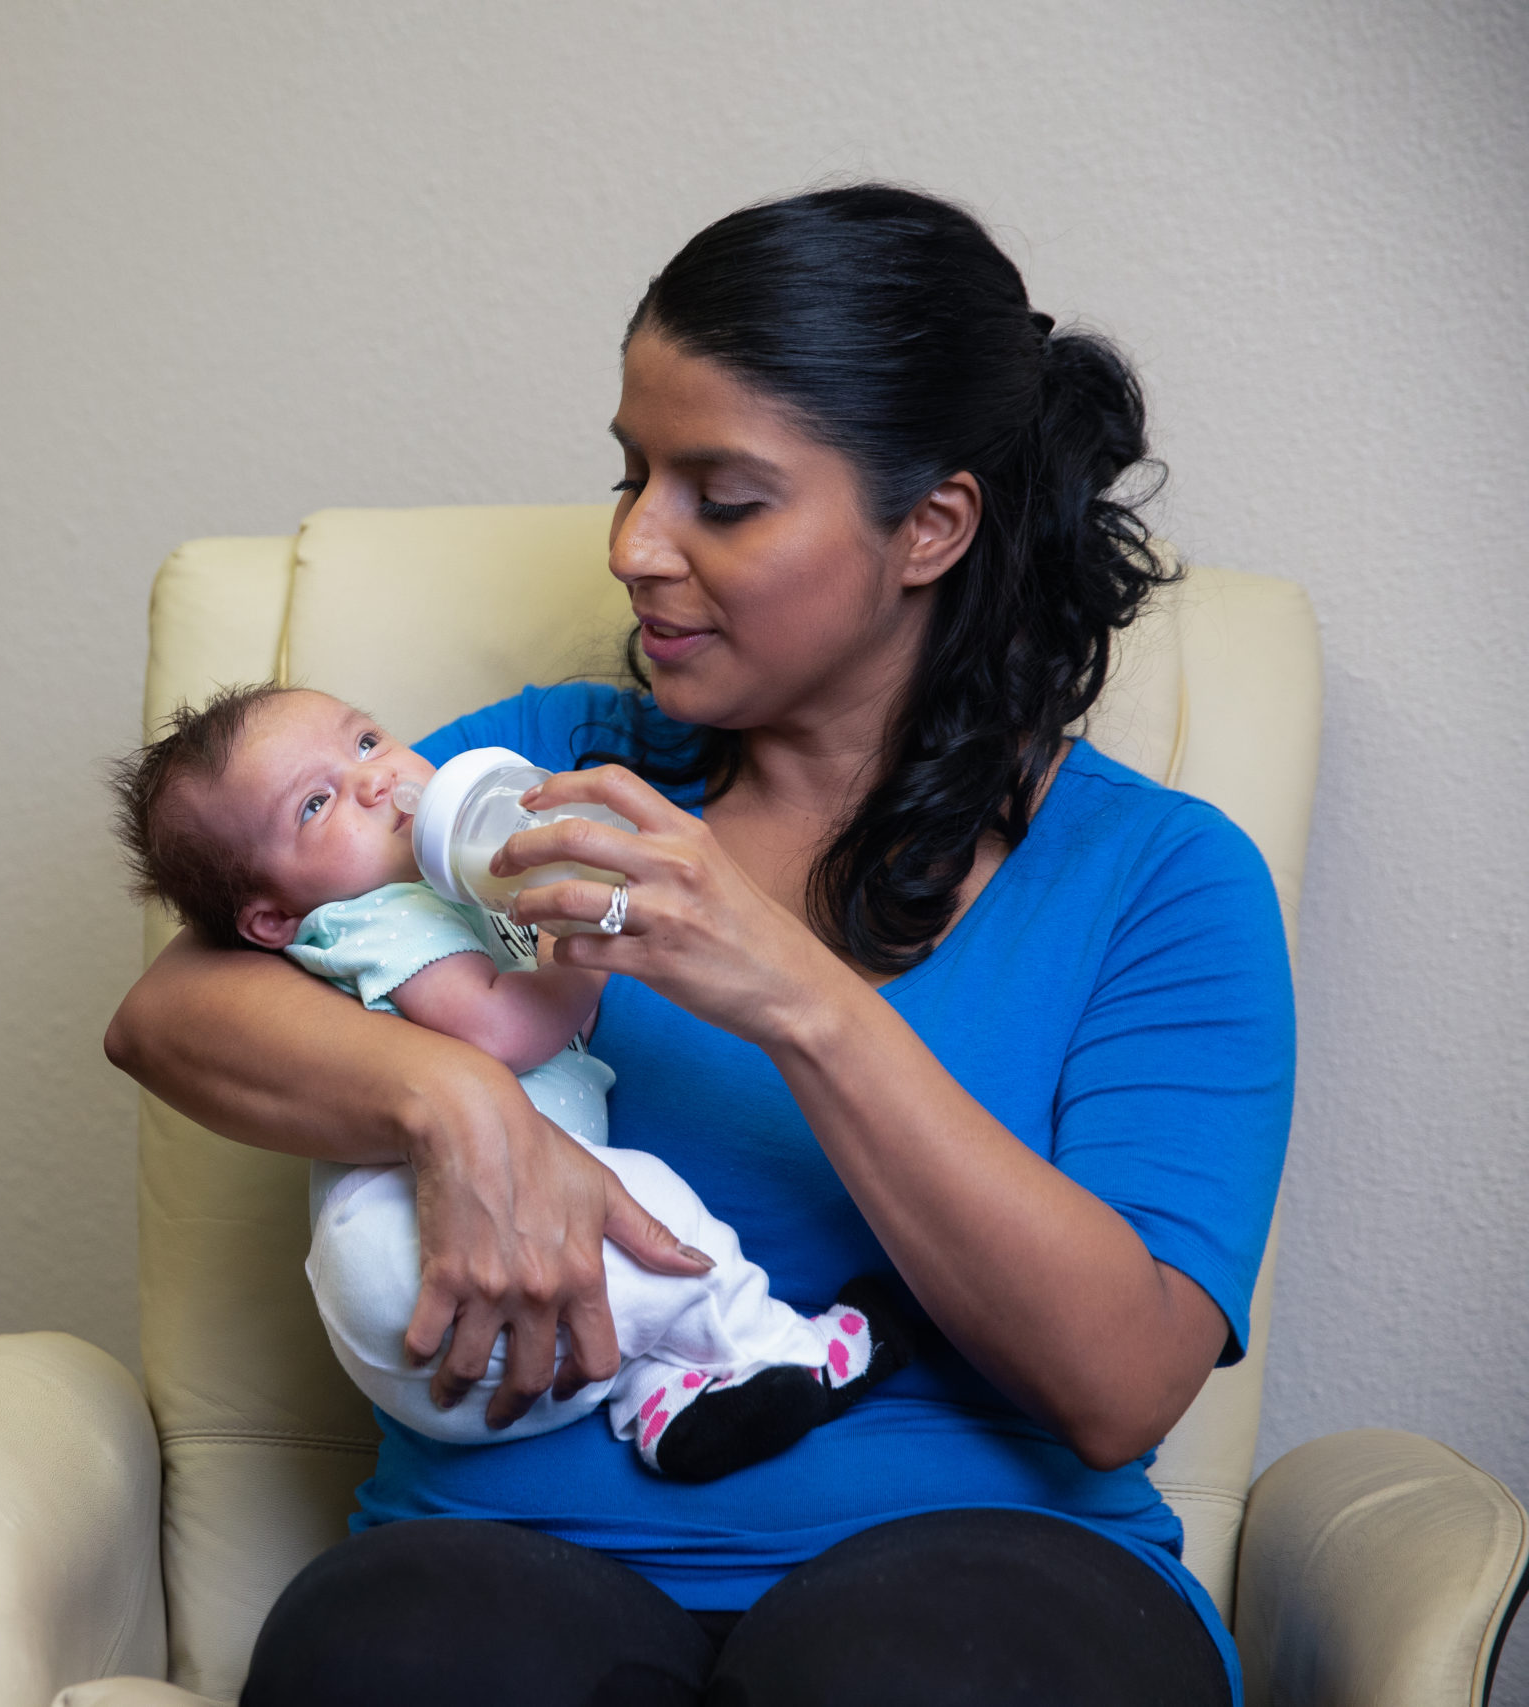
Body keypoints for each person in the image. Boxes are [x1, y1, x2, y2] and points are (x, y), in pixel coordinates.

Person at [106, 184, 1291, 1706]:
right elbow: (175, 1010)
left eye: (720, 498)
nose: (633, 545)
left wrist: (801, 998)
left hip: (988, 1562)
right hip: (509, 1552)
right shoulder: (535, 778)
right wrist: (450, 1100)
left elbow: (1121, 1381)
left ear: (930, 523)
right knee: (397, 1660)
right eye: (630, 474)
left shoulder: (1158, 879)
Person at [109, 681, 908, 1481]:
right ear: (272, 921)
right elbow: (500, 1031)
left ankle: (666, 1398)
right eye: (316, 804)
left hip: (447, 1297)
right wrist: (576, 942)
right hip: (411, 1250)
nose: (375, 781)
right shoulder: (375, 919)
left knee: (607, 1262)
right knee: (650, 1203)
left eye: (366, 742)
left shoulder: (429, 889)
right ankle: (787, 1343)